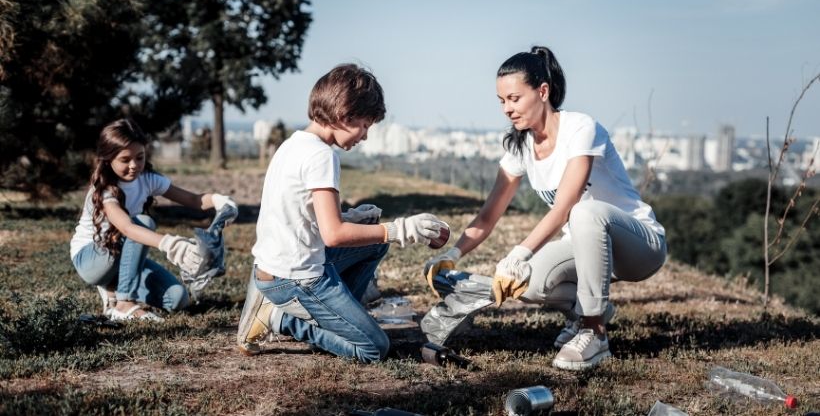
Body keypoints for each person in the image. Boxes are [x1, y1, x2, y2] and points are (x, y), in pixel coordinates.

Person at [423, 46, 667, 370]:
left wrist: (518, 253)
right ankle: (590, 311)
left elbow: (565, 205)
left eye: (514, 98)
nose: (507, 109)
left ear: (542, 91)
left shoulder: (580, 128)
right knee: (528, 283)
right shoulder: (521, 145)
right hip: (587, 250)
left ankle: (594, 333)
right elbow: (488, 215)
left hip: (639, 248)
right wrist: (452, 255)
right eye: (501, 101)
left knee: (583, 212)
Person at [239, 64, 448, 363]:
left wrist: (351, 218)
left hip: (273, 269)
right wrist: (401, 229)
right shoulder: (322, 156)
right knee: (374, 348)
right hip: (295, 279)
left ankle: (337, 317)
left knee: (375, 242)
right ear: (343, 116)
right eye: (364, 125)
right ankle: (282, 320)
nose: (364, 136)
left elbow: (298, 215)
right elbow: (334, 235)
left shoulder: (294, 144)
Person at [70, 118, 237, 322]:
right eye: (125, 160)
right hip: (91, 260)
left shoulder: (148, 179)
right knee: (143, 222)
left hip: (121, 256)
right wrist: (171, 244)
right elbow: (127, 228)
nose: (134, 165)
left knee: (177, 299)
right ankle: (124, 303)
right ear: (108, 159)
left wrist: (220, 201)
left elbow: (193, 199)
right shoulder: (104, 189)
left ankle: (113, 288)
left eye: (139, 157)